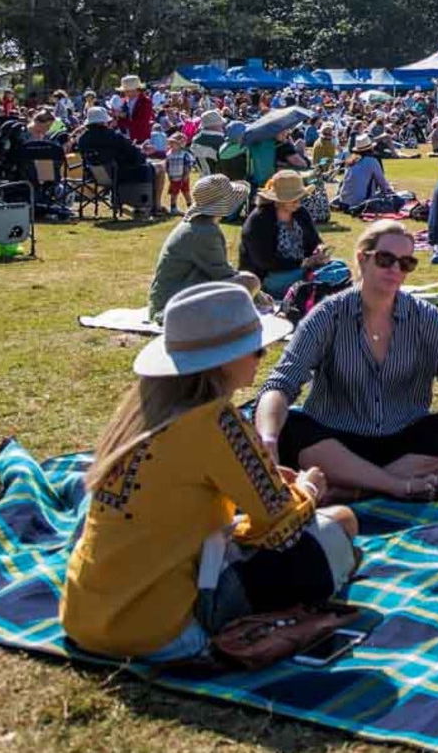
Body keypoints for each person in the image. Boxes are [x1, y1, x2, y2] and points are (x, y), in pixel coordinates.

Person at [60, 282, 359, 663]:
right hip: (163, 629)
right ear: (223, 360)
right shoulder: (218, 423)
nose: (262, 355)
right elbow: (279, 522)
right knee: (341, 523)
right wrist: (308, 489)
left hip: (85, 620)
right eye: (255, 348)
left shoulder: (139, 418)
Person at [255, 221, 438, 500]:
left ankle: (354, 488)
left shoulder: (427, 318)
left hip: (404, 439)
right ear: (362, 258)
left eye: (406, 263)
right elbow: (281, 383)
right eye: (385, 259)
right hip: (337, 441)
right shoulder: (329, 315)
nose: (395, 269)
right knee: (283, 425)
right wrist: (269, 439)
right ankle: (395, 485)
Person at [147, 175, 254, 321]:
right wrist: (257, 295)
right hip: (171, 307)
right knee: (249, 281)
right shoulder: (204, 232)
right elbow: (223, 274)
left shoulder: (198, 226)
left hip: (172, 298)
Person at [238, 169, 334, 295]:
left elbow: (314, 241)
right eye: (293, 199)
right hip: (269, 277)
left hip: (302, 268)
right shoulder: (259, 220)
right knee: (319, 280)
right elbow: (264, 262)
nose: (298, 202)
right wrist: (303, 264)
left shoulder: (301, 213)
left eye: (299, 198)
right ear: (277, 200)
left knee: (338, 267)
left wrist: (320, 250)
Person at [77, 106, 167, 214]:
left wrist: (137, 149)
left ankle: (121, 201)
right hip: (120, 175)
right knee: (159, 167)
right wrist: (143, 152)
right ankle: (156, 206)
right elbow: (134, 155)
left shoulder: (83, 139)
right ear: (104, 122)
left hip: (94, 176)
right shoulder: (113, 136)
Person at [334, 136, 396, 213]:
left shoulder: (351, 160)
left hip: (344, 202)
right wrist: (391, 191)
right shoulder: (372, 161)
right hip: (360, 203)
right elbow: (382, 183)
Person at [163, 132, 196, 214]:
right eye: (170, 143)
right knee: (173, 193)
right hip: (173, 177)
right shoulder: (169, 154)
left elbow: (187, 166)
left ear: (180, 144)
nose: (171, 145)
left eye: (173, 143)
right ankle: (173, 208)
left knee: (186, 192)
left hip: (183, 177)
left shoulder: (184, 154)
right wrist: (168, 174)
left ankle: (190, 207)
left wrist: (186, 175)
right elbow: (167, 165)